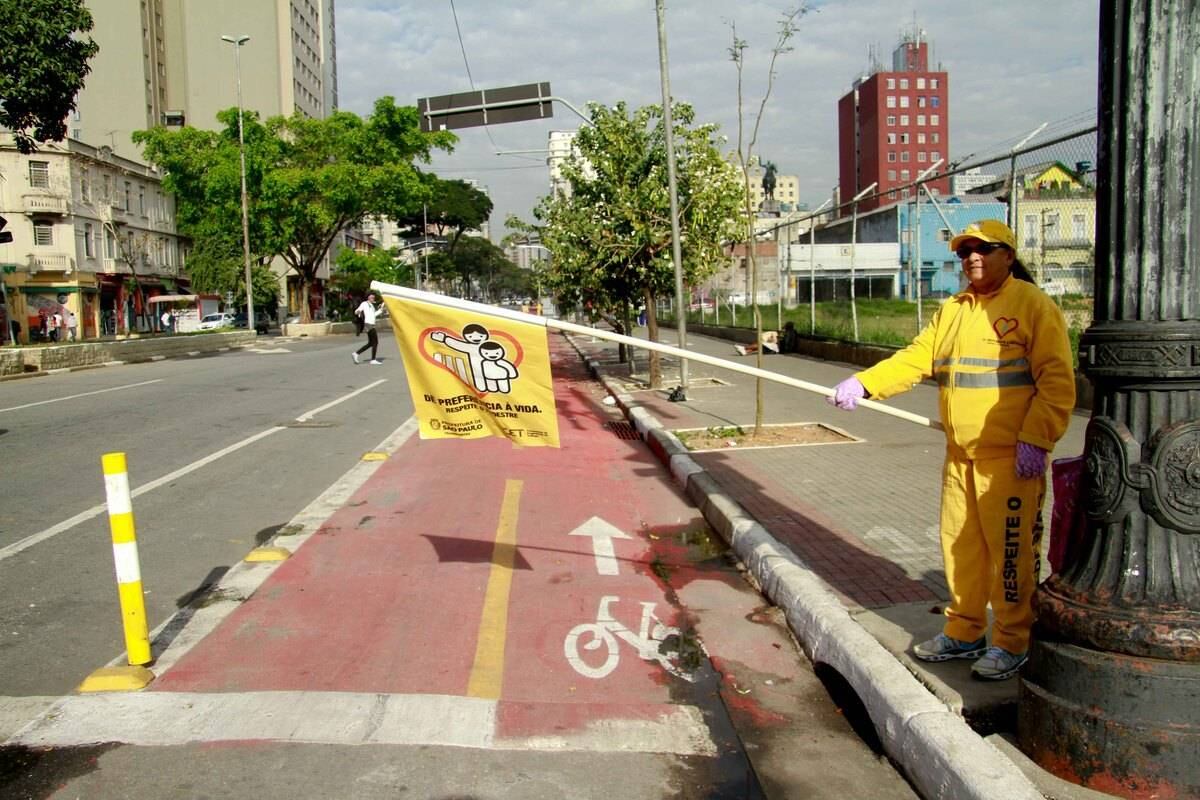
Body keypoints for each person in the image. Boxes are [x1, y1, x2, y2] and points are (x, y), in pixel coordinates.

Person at [827, 219, 1075, 681]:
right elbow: (917, 358)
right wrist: (866, 383)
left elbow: (1057, 382)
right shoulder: (954, 309)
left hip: (1010, 460)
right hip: (961, 457)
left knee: (1010, 554)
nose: (972, 258)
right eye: (964, 252)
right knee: (960, 548)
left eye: (982, 249)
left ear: (1008, 253)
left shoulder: (1032, 305)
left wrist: (1036, 439)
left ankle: (1012, 641)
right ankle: (964, 630)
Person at [351, 292, 382, 365]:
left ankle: (356, 353)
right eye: (371, 297)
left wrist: (381, 310)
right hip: (368, 324)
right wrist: (357, 311)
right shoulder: (364, 304)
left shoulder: (372, 306)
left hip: (372, 324)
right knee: (375, 342)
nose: (372, 299)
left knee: (371, 343)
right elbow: (357, 311)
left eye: (373, 298)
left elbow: (374, 315)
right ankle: (373, 359)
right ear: (368, 297)